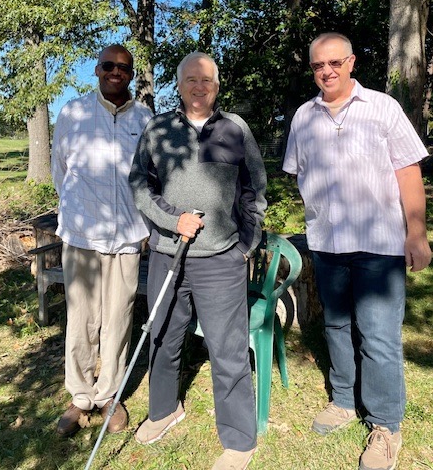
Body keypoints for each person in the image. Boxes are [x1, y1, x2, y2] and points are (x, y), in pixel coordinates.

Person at [283, 32, 431, 470]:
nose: (326, 72)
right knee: (336, 325)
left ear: (350, 62)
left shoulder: (383, 107)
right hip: (328, 244)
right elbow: (298, 174)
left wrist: (416, 233)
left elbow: (407, 171)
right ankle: (345, 400)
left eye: (334, 63)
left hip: (380, 246)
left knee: (379, 336)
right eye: (317, 66)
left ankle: (385, 426)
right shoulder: (303, 118)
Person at [129, 51, 267, 470]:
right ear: (179, 84)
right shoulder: (158, 128)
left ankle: (240, 439)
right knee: (163, 338)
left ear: (217, 85)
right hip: (169, 256)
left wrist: (246, 244)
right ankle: (165, 410)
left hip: (221, 259)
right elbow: (139, 184)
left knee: (227, 349)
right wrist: (172, 221)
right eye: (191, 79)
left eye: (206, 80)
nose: (198, 86)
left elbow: (254, 189)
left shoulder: (235, 128)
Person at [51, 44, 152, 437]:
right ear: (96, 70)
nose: (115, 72)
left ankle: (109, 392)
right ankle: (79, 397)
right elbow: (61, 170)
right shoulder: (73, 113)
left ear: (130, 74)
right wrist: (77, 210)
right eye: (108, 66)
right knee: (80, 319)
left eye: (123, 68)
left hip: (127, 235)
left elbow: (150, 176)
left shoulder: (144, 118)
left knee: (119, 317)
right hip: (82, 233)